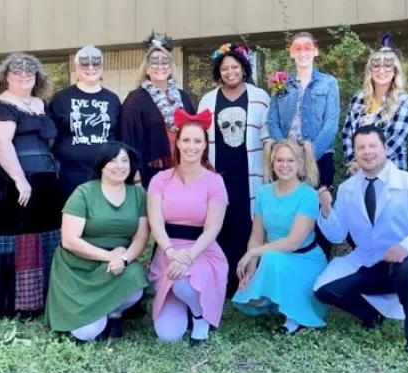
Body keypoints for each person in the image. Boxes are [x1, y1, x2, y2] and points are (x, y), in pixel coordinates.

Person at [314, 126, 408, 356]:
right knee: (323, 289)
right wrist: (327, 210)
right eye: (361, 147)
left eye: (372, 146)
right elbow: (337, 235)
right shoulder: (348, 189)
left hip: (402, 262)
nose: (367, 152)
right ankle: (371, 314)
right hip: (368, 261)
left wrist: (407, 246)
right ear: (355, 153)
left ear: (385, 148)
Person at [0, 52, 60, 318]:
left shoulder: (40, 104)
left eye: (30, 70)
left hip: (44, 185)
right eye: (16, 71)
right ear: (5, 76)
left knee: (41, 241)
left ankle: (38, 301)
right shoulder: (0, 105)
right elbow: (0, 144)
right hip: (11, 186)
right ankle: (9, 304)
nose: (24, 74)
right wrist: (20, 180)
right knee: (16, 244)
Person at [45, 142, 149, 342]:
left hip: (117, 264)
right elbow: (69, 241)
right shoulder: (83, 193)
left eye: (124, 161)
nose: (119, 166)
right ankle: (95, 314)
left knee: (135, 279)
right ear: (101, 164)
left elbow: (142, 237)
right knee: (87, 334)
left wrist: (124, 259)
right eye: (113, 160)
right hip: (80, 267)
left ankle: (114, 315)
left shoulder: (139, 195)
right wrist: (109, 256)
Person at [147, 108, 228, 346]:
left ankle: (199, 315)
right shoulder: (159, 180)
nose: (191, 146)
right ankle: (184, 301)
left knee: (183, 282)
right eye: (186, 140)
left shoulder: (215, 181)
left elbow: (213, 228)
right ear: (178, 144)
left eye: (197, 141)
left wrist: (187, 258)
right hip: (168, 251)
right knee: (168, 335)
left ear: (205, 146)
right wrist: (171, 253)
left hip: (202, 252)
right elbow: (156, 223)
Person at [198, 41, 271, 298]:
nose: (230, 72)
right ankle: (222, 280)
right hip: (219, 173)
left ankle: (248, 278)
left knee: (247, 222)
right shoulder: (208, 100)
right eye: (225, 68)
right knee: (221, 223)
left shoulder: (260, 97)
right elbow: (201, 140)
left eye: (235, 67)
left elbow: (267, 137)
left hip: (249, 172)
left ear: (244, 69)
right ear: (219, 71)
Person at [232, 139, 328, 334]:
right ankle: (274, 297)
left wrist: (253, 254)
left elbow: (293, 243)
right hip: (273, 257)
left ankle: (293, 318)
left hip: (304, 259)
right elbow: (256, 236)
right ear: (272, 163)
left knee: (271, 258)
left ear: (300, 164)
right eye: (280, 160)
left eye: (290, 161)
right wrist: (251, 271)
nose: (285, 165)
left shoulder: (308, 195)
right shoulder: (263, 193)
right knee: (251, 297)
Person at [267, 31, 339, 256]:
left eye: (308, 47)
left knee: (318, 210)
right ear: (291, 52)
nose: (303, 52)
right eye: (297, 48)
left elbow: (331, 122)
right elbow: (273, 119)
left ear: (316, 51)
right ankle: (291, 261)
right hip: (288, 162)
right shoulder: (281, 84)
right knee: (291, 213)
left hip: (319, 158)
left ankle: (320, 265)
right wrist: (286, 152)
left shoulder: (328, 83)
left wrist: (308, 155)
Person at [47, 45, 122, 204]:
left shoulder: (112, 99)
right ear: (76, 67)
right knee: (71, 223)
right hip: (69, 176)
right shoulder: (61, 98)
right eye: (84, 64)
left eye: (96, 64)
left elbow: (120, 137)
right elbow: (48, 135)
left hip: (106, 175)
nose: (90, 68)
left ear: (102, 68)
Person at [120, 31, 195, 188]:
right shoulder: (135, 99)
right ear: (147, 68)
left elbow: (195, 130)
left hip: (184, 167)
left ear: (171, 66)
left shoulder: (183, 97)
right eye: (154, 62)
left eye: (165, 62)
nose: (160, 66)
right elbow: (126, 138)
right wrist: (135, 173)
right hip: (152, 172)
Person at [342, 34, 408, 174]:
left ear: (395, 71)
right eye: (376, 66)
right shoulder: (358, 97)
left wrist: (366, 164)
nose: (381, 71)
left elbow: (396, 140)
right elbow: (347, 133)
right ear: (370, 70)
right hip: (357, 173)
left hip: (390, 172)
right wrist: (353, 161)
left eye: (388, 66)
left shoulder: (403, 101)